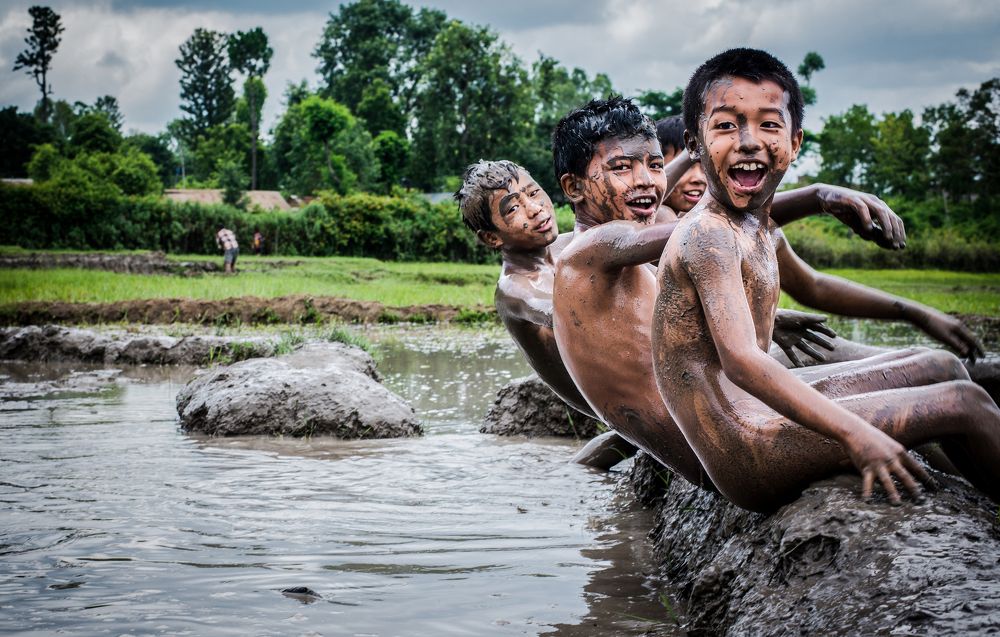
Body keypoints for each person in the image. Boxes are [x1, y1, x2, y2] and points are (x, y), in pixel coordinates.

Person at [651, 48, 1000, 512]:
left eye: (769, 125)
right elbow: (741, 361)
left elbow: (806, 278)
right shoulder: (708, 234)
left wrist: (828, 198)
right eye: (726, 125)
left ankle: (978, 498)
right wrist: (855, 433)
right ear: (695, 145)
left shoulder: (755, 220)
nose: (749, 141)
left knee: (940, 367)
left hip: (755, 417)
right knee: (963, 401)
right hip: (745, 446)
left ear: (795, 143)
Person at [455, 157, 899, 469]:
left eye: (533, 193)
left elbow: (664, 242)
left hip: (647, 378)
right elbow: (569, 315)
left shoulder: (573, 248)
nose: (534, 209)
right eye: (512, 208)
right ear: (492, 238)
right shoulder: (516, 289)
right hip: (618, 394)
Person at [655, 114, 985, 369]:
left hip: (756, 360)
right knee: (928, 370)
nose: (695, 176)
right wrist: (817, 196)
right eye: (680, 165)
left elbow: (813, 285)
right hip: (717, 377)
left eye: (701, 165)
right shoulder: (664, 225)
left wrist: (913, 312)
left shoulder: (760, 230)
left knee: (917, 366)